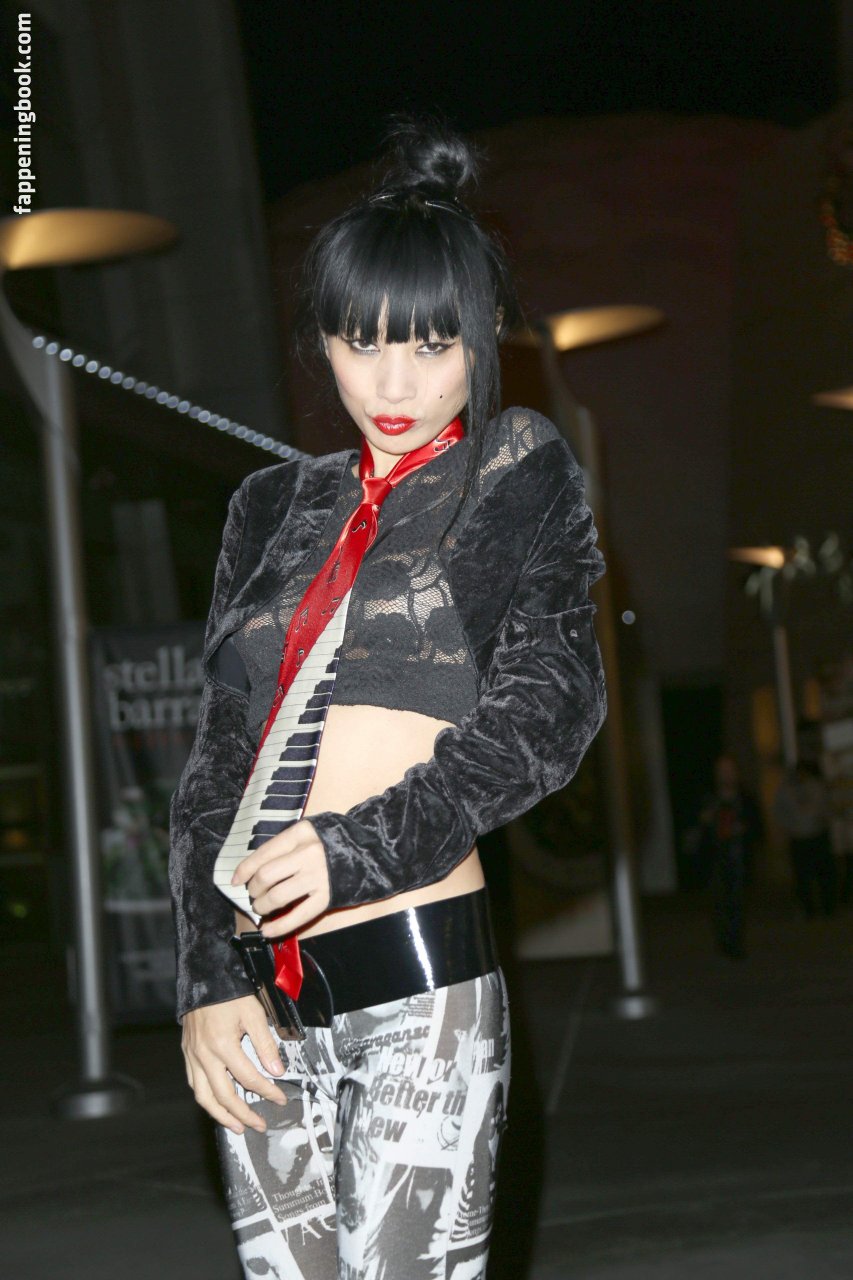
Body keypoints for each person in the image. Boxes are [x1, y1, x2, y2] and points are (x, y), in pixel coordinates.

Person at [168, 115, 606, 1280]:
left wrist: (352, 849)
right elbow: (216, 762)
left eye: (430, 343)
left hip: (418, 970)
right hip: (258, 989)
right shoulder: (269, 505)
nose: (395, 382)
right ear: (321, 341)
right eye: (361, 344)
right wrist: (208, 977)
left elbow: (546, 714)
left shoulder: (513, 468)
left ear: (481, 335)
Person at [696, 754, 763, 959]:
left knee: (737, 901)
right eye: (722, 771)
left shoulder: (746, 799)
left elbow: (758, 828)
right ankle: (724, 940)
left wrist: (744, 829)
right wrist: (705, 822)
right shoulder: (709, 799)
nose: (726, 775)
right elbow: (697, 832)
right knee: (719, 902)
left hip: (739, 857)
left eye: (729, 771)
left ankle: (735, 942)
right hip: (715, 859)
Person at [773, 761, 836, 918]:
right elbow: (779, 812)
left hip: (817, 836)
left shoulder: (816, 787)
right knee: (803, 877)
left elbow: (826, 808)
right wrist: (787, 828)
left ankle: (828, 907)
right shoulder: (786, 790)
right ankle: (809, 909)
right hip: (799, 838)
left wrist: (825, 821)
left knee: (824, 874)